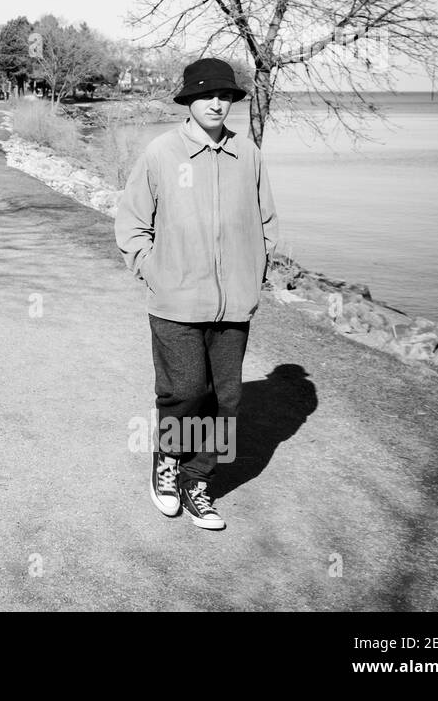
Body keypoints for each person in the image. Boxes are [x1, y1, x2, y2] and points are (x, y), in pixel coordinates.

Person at [114, 57, 278, 530]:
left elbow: (267, 222)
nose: (216, 103)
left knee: (224, 400)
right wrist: (153, 270)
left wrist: (256, 268)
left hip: (234, 303)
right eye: (207, 95)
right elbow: (132, 222)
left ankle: (197, 481)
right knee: (185, 391)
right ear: (188, 100)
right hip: (176, 302)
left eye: (225, 95)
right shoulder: (162, 153)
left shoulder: (248, 155)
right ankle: (167, 465)